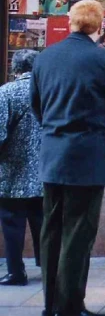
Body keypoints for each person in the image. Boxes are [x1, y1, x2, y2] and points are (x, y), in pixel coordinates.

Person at [30, 0, 105, 316]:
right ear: (99, 25)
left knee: (52, 229)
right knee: (78, 232)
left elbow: (37, 105)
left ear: (71, 22)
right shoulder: (103, 60)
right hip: (87, 156)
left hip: (52, 153)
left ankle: (51, 304)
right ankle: (71, 309)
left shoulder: (45, 58)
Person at [0, 50, 42, 286]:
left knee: (12, 222)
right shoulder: (47, 92)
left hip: (12, 172)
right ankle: (48, 266)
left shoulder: (6, 92)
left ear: (15, 69)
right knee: (43, 221)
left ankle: (16, 271)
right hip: (44, 169)